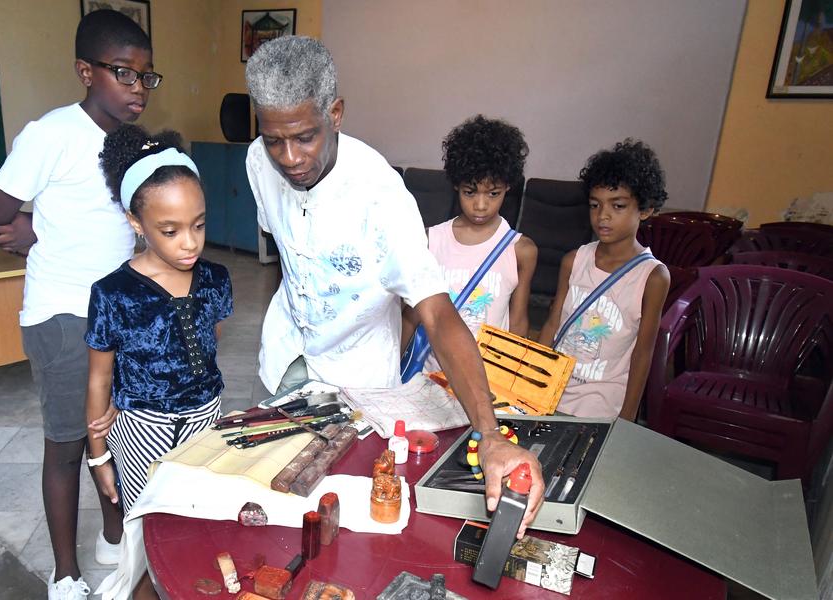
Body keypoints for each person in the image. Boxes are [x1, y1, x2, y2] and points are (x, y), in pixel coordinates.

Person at [245, 36, 544, 532]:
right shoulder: (258, 161)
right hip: (288, 359)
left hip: (360, 384)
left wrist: (488, 433)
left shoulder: (383, 200)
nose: (290, 157)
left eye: (305, 137)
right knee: (277, 506)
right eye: (275, 139)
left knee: (346, 517)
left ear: (335, 113)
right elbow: (288, 251)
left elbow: (436, 311)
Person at [0, 10, 159, 598]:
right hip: (62, 313)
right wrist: (34, 231)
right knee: (69, 442)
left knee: (118, 431)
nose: (137, 89)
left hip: (118, 311)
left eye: (147, 78)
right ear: (86, 71)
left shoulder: (134, 144)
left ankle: (110, 534)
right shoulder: (51, 133)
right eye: (124, 74)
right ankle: (65, 572)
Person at [85, 124, 232, 516]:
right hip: (140, 430)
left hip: (206, 418)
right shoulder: (113, 293)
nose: (190, 242)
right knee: (149, 519)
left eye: (199, 224)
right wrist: (98, 458)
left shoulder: (215, 278)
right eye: (170, 230)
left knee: (201, 512)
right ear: (137, 222)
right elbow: (99, 377)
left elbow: (208, 341)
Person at [538, 139, 670, 421]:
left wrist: (628, 416)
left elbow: (643, 353)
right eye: (595, 205)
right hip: (552, 394)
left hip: (601, 406)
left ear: (645, 209)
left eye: (618, 206)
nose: (603, 216)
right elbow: (553, 322)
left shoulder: (652, 277)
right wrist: (532, 377)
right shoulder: (574, 260)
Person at [402, 115, 538, 372]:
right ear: (456, 185)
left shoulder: (521, 250)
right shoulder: (432, 240)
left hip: (487, 383)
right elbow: (411, 315)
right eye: (470, 191)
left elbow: (518, 323)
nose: (480, 205)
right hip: (431, 378)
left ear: (508, 187)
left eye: (493, 193)